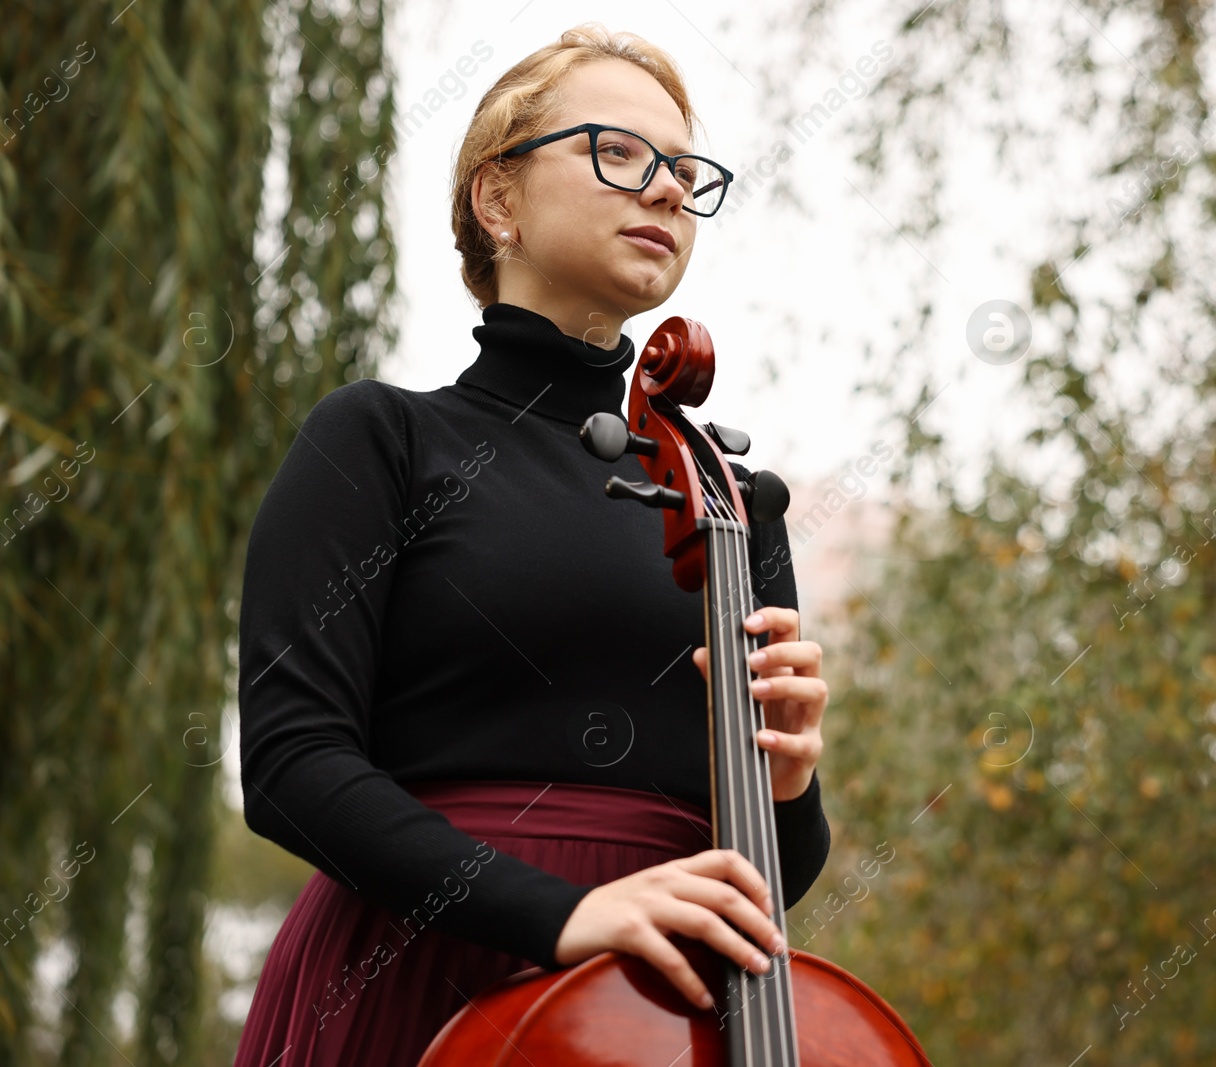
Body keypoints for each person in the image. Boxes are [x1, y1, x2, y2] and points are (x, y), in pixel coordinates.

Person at [233, 23, 830, 1066]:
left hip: (660, 1011)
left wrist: (787, 779)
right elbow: (290, 762)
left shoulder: (735, 503)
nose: (665, 192)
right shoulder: (381, 438)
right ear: (496, 199)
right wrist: (563, 913)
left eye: (685, 172)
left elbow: (770, 874)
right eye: (619, 154)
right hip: (416, 975)